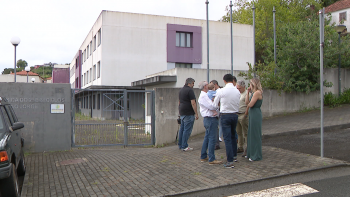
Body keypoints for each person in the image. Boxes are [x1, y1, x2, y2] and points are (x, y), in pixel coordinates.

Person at [213, 74, 241, 168]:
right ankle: (234, 156)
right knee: (233, 136)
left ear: (224, 80)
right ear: (232, 80)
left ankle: (230, 161)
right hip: (235, 115)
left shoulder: (221, 91)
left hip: (225, 115)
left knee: (227, 138)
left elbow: (214, 104)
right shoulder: (237, 91)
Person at [198, 81, 222, 165]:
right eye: (207, 84)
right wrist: (217, 104)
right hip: (210, 118)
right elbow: (212, 106)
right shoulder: (204, 96)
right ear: (205, 86)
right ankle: (211, 158)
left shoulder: (205, 95)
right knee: (212, 138)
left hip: (208, 119)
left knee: (207, 137)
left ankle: (204, 156)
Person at [178, 78, 199, 151]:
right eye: (193, 83)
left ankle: (180, 145)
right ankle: (184, 146)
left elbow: (179, 102)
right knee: (187, 130)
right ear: (189, 83)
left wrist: (179, 111)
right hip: (189, 112)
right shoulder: (190, 90)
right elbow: (193, 103)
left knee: (182, 129)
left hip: (182, 112)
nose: (193, 85)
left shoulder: (181, 90)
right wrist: (196, 113)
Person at [245, 77, 263, 161]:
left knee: (255, 134)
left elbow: (250, 104)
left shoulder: (257, 93)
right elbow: (246, 102)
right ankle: (250, 153)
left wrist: (249, 103)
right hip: (252, 113)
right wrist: (247, 92)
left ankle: (256, 155)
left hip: (255, 113)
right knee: (251, 133)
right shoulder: (254, 93)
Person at [236, 80, 249, 156]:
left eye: (239, 88)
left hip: (243, 114)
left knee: (245, 133)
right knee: (239, 132)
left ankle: (247, 148)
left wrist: (246, 115)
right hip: (237, 114)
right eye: (237, 88)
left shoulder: (247, 94)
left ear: (244, 87)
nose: (238, 90)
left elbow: (248, 105)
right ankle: (240, 146)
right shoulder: (238, 94)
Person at [210, 80, 223, 148]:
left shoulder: (219, 91)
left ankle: (219, 137)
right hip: (216, 111)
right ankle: (218, 137)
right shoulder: (214, 92)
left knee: (220, 124)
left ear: (215, 84)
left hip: (219, 110)